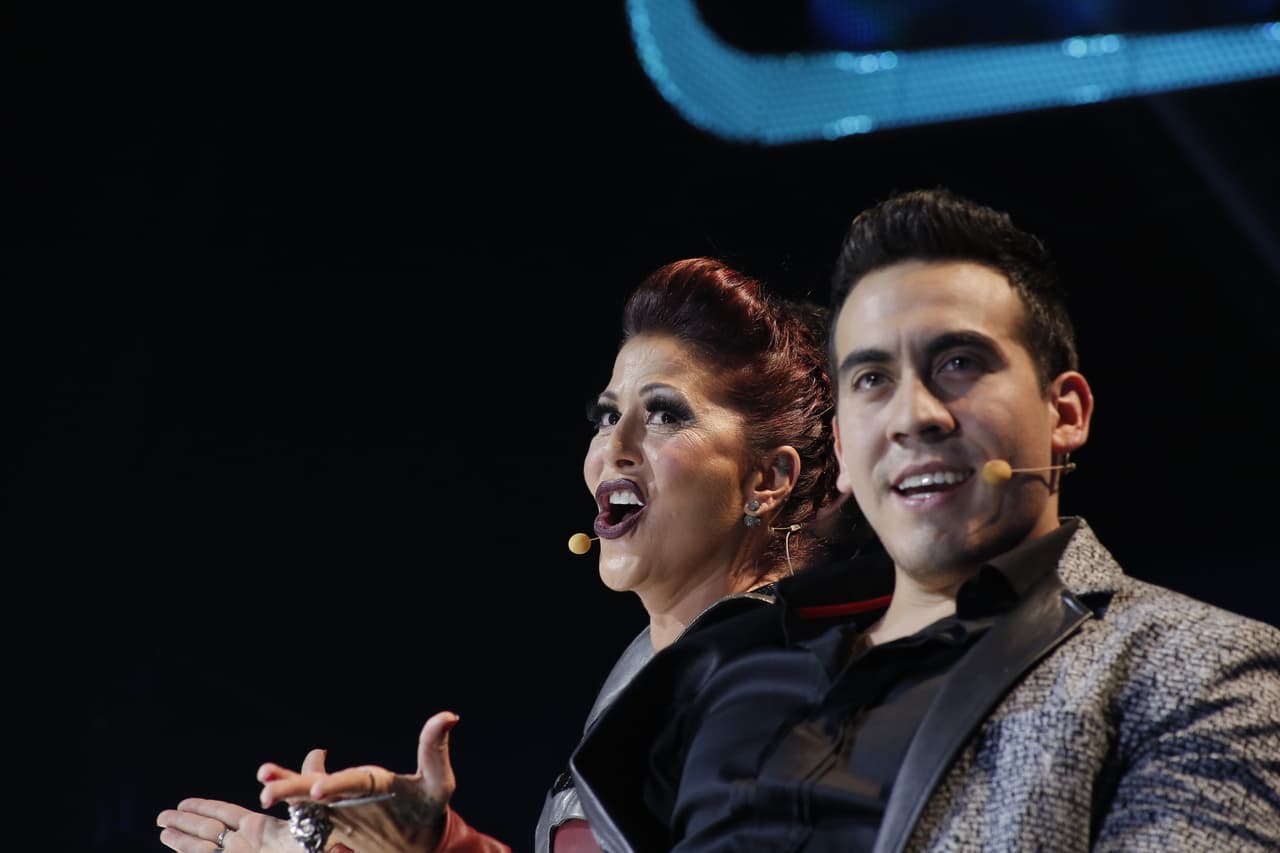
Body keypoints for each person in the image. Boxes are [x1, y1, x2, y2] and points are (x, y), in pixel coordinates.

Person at [566, 187, 1280, 851]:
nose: (913, 416)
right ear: (843, 447)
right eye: (873, 379)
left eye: (959, 362)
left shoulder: (1201, 669)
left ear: (1066, 412)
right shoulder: (729, 671)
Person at [156, 255, 862, 853]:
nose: (613, 448)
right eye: (607, 415)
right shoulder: (657, 662)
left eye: (665, 414)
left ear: (768, 480)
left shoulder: (774, 679)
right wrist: (435, 844)